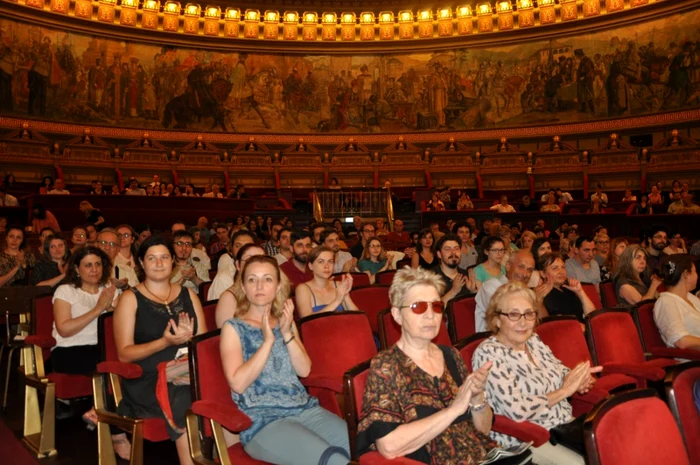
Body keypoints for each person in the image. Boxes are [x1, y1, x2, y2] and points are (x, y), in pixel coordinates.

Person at [357, 267, 496, 463]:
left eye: (437, 306)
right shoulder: (386, 366)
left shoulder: (451, 355)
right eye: (418, 307)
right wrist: (453, 410)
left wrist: (477, 396)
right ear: (397, 315)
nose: (431, 315)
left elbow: (483, 429)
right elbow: (388, 446)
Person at [219, 256, 351, 464]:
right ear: (243, 287)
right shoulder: (233, 327)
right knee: (335, 461)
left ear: (278, 285)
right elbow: (238, 383)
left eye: (267, 279)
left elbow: (304, 370)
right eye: (252, 280)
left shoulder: (285, 320)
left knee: (362, 446)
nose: (260, 286)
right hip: (264, 421)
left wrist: (286, 332)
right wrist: (267, 342)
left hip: (305, 409)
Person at [473, 282, 600, 464]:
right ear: (497, 319)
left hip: (563, 425)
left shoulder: (533, 340)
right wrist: (565, 390)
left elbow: (559, 369)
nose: (523, 322)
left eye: (529, 313)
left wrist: (577, 378)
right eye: (514, 314)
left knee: (611, 443)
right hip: (526, 438)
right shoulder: (489, 353)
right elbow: (517, 410)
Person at [114, 236, 207, 465]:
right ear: (141, 264)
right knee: (188, 397)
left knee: (220, 389)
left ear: (172, 261)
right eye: (151, 258)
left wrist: (191, 338)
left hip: (187, 371)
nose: (158, 263)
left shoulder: (189, 295)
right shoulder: (130, 298)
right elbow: (124, 354)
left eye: (164, 257)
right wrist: (165, 342)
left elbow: (203, 343)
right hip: (149, 379)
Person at [51, 246, 130, 458]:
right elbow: (64, 329)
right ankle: (117, 435)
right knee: (107, 365)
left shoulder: (109, 289)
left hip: (102, 348)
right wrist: (99, 308)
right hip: (68, 351)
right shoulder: (65, 291)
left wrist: (112, 307)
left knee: (129, 361)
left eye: (97, 264)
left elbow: (119, 322)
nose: (94, 269)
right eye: (88, 265)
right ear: (77, 269)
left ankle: (98, 411)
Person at [475, 251, 536, 332]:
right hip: (494, 340)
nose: (525, 274)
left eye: (530, 270)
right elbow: (506, 316)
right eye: (521, 267)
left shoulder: (527, 293)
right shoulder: (491, 286)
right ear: (508, 266)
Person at [296, 246, 358, 318]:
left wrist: (346, 296)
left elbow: (357, 318)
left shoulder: (338, 285)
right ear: (311, 266)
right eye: (321, 261)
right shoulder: (303, 289)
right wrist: (337, 301)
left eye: (330, 261)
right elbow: (306, 320)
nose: (327, 266)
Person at [653, 255, 700, 351]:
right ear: (686, 275)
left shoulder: (691, 297)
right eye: (695, 271)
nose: (697, 275)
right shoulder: (666, 302)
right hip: (693, 359)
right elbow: (681, 341)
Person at [214, 243, 266, 327]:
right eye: (249, 260)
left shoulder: (274, 290)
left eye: (261, 260)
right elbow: (227, 337)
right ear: (238, 265)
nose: (256, 265)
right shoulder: (229, 298)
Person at [536, 253, 596, 321]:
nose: (561, 272)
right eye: (555, 268)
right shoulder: (542, 295)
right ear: (543, 274)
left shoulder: (567, 289)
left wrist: (580, 292)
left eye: (563, 267)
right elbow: (550, 324)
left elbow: (591, 315)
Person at [208, 230, 255, 301]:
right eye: (238, 246)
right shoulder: (223, 279)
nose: (242, 249)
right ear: (231, 250)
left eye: (248, 246)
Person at [432, 234, 477, 304]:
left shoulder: (466, 275)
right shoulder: (431, 277)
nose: (453, 252)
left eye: (456, 249)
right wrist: (454, 291)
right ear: (439, 254)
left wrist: (473, 291)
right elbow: (433, 308)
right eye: (447, 249)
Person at [614, 244, 662, 309]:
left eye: (644, 258)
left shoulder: (643, 277)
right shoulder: (624, 284)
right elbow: (643, 308)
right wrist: (654, 285)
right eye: (638, 258)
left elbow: (659, 298)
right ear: (628, 260)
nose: (643, 262)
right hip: (635, 318)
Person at [170, 230, 210, 295]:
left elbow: (207, 290)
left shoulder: (198, 265)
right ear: (173, 245)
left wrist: (193, 278)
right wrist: (181, 280)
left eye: (188, 244)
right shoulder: (167, 266)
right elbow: (162, 292)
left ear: (192, 247)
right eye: (179, 244)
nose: (184, 248)